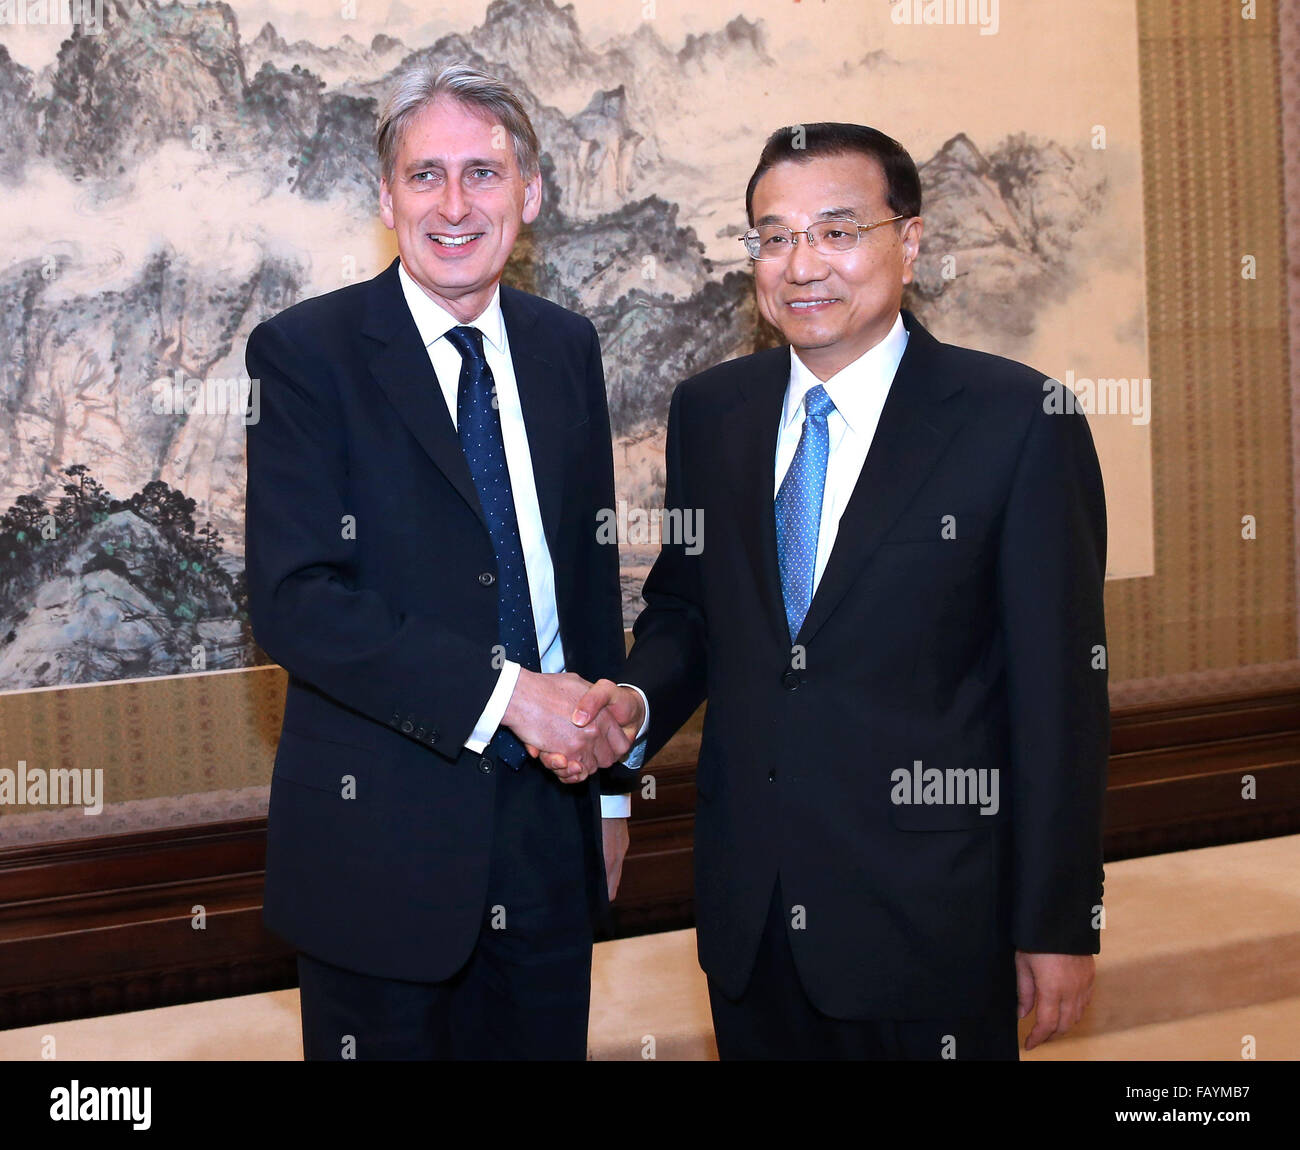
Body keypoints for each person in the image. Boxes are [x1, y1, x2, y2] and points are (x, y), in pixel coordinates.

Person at [561, 122, 1110, 1060]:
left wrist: (1059, 921)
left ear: (913, 240)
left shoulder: (1018, 422)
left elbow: (1060, 698)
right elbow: (692, 608)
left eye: (837, 231)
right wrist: (636, 701)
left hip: (932, 922)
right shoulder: (714, 412)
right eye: (774, 237)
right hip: (753, 919)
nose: (802, 263)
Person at [244, 62, 639, 1061]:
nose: (454, 205)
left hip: (553, 839)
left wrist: (609, 790)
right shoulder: (306, 354)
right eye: (425, 176)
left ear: (530, 194)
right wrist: (508, 695)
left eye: (483, 173)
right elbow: (295, 603)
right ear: (386, 198)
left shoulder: (564, 347)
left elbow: (586, 586)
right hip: (381, 846)